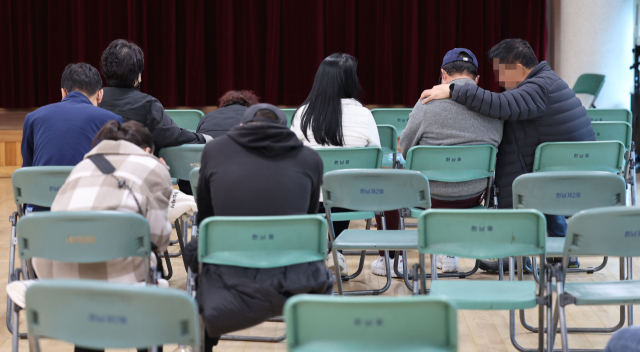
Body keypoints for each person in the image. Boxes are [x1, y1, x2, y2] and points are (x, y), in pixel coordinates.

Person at [419, 38, 594, 269]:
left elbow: (500, 104)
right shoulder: (548, 81)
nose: (499, 81)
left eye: (502, 73)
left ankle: (516, 257)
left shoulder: (539, 87)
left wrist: (453, 90)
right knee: (515, 144)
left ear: (519, 69)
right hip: (568, 175)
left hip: (563, 182)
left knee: (518, 170)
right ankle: (548, 253)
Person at [184, 104, 333, 351]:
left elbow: (206, 218)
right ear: (285, 129)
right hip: (293, 271)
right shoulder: (310, 158)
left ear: (242, 126)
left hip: (228, 267)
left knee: (198, 247)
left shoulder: (214, 150)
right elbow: (307, 219)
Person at [32, 120, 173, 352]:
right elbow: (158, 241)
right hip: (123, 279)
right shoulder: (154, 168)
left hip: (56, 279)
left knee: (85, 270)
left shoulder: (81, 166)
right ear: (147, 150)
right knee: (141, 269)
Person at [290, 53, 397, 278]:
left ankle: (326, 249)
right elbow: (375, 163)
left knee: (322, 190)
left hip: (310, 200)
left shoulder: (302, 115)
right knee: (344, 187)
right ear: (352, 81)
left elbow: (291, 161)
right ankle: (334, 249)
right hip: (354, 201)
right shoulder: (364, 115)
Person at [400, 48, 503, 272]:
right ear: (477, 80)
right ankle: (449, 251)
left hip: (430, 198)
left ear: (443, 76)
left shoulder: (426, 104)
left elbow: (407, 150)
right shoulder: (494, 108)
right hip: (473, 196)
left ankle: (397, 258)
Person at [21, 62, 123, 212]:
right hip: (94, 211)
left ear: (63, 92)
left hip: (42, 214)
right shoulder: (113, 120)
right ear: (100, 94)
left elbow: (27, 172)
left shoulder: (33, 118)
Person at [98, 39, 212, 148]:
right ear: (138, 75)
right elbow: (171, 136)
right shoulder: (148, 104)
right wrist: (203, 138)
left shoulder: (94, 99)